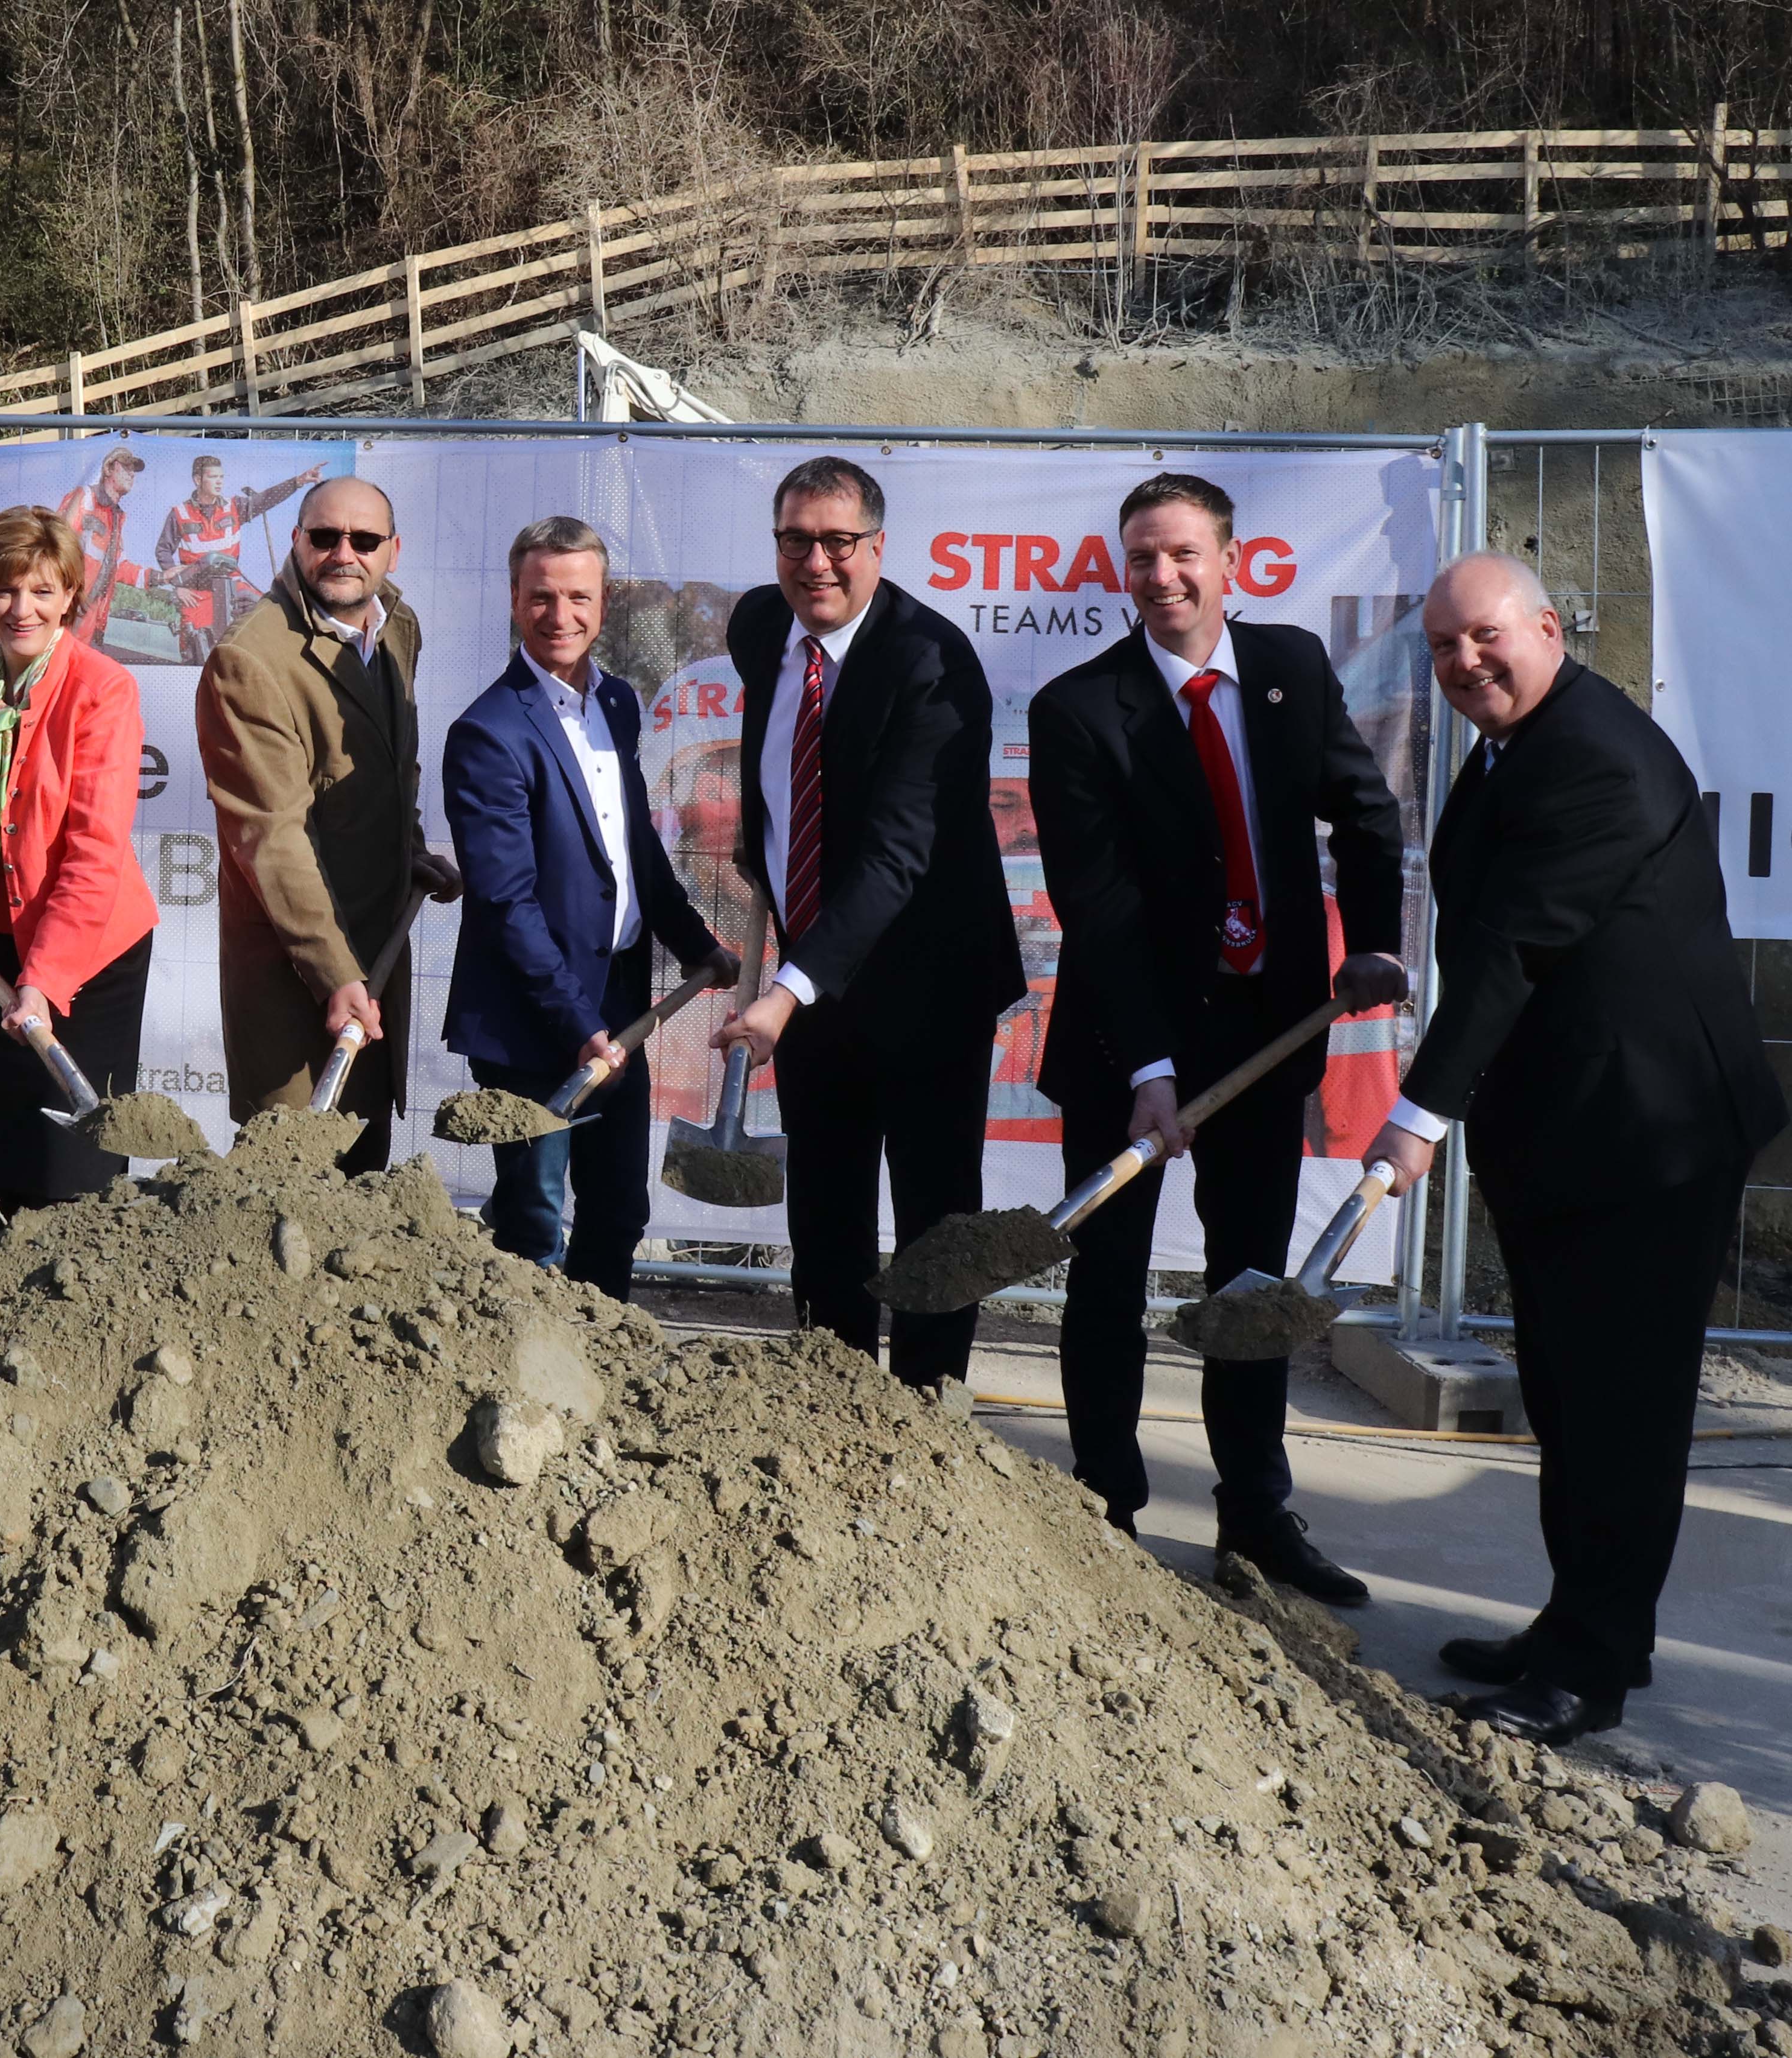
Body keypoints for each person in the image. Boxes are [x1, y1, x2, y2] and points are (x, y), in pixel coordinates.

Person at [1365, 553, 1784, 1743]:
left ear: (1546, 628)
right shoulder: (1517, 746)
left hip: (1646, 1136)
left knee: (1618, 1410)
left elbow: (1512, 948)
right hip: (1569, 1125)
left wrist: (1416, 1111)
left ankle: (1588, 1669)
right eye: (1442, 647)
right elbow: (1486, 916)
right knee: (1563, 1390)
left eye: (1484, 636)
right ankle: (1567, 1621)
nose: (1462, 663)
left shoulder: (1592, 756)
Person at [1029, 471, 1411, 1605]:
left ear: (1230, 561)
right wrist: (1150, 1068)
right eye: (1141, 558)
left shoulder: (1287, 668)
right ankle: (1104, 1506)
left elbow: (1364, 811)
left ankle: (1253, 1514)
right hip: (1124, 1038)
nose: (1162, 578)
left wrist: (1375, 946)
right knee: (1105, 1279)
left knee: (1250, 1283)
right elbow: (1093, 907)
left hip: (1264, 1029)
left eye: (1183, 555)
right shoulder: (1077, 710)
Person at [711, 457, 1025, 1391]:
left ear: (877, 549)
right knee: (827, 1210)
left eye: (838, 542)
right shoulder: (759, 625)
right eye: (796, 540)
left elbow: (896, 852)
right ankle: (833, 1404)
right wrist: (766, 844)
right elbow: (794, 762)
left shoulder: (932, 666)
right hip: (814, 980)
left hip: (929, 982)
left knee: (934, 1223)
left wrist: (785, 993)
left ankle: (929, 1418)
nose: (816, 562)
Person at [444, 516, 730, 1300]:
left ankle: (599, 1360)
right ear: (514, 599)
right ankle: (525, 1382)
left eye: (578, 595)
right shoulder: (487, 733)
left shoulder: (617, 702)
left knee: (618, 1208)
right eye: (541, 596)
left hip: (615, 1005)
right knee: (534, 1220)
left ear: (604, 603)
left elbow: (634, 850)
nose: (559, 614)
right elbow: (507, 904)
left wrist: (696, 942)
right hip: (531, 1017)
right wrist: (580, 1027)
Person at [0, 506, 159, 1239]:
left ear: (71, 596)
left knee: (74, 1160)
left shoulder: (100, 689)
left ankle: (70, 1312)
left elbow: (93, 847)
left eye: (42, 591)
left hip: (85, 956)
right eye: (6, 590)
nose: (22, 609)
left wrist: (44, 980)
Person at [197, 475, 462, 1176]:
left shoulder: (393, 626)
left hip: (375, 954)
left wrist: (408, 850)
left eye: (364, 539)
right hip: (298, 977)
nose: (343, 553)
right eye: (324, 537)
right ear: (295, 541)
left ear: (392, 551)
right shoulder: (250, 660)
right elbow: (270, 838)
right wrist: (333, 974)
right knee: (288, 1196)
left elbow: (383, 767)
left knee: (364, 1173)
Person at [154, 454, 323, 661]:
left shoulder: (234, 507)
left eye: (221, 477)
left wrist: (298, 482)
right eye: (213, 477)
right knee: (195, 647)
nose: (219, 482)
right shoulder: (180, 514)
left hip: (232, 587)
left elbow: (267, 499)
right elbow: (163, 550)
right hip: (197, 593)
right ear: (198, 480)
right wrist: (178, 587)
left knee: (268, 611)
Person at [58, 447, 155, 652]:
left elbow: (120, 568)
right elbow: (56, 547)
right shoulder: (84, 497)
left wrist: (161, 578)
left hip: (93, 622)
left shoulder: (118, 517)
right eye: (126, 467)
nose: (132, 474)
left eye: (134, 470)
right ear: (108, 469)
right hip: (68, 614)